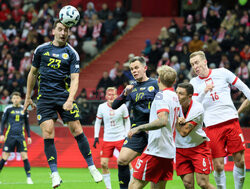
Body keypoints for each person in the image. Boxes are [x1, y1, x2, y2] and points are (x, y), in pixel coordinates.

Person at [23, 20, 102, 188]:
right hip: (45, 99)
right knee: (48, 131)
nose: (63, 33)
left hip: (64, 96)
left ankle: (92, 167)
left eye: (66, 30)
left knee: (77, 129)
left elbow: (75, 79)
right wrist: (28, 97)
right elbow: (32, 73)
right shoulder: (41, 50)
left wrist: (70, 99)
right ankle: (54, 173)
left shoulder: (72, 53)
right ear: (53, 30)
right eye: (60, 29)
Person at [189, 51, 250, 189]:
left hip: (231, 122)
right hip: (211, 126)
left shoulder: (222, 72)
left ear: (205, 61)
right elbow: (194, 105)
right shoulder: (194, 82)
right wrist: (204, 91)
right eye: (192, 64)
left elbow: (243, 87)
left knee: (239, 161)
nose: (195, 66)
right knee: (218, 165)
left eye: (197, 62)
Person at [127, 65, 181, 189]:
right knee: (158, 187)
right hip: (168, 151)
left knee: (134, 185)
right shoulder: (175, 97)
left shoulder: (161, 96)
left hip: (156, 150)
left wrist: (139, 128)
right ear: (173, 82)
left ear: (159, 80)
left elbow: (162, 121)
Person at [112, 56, 159, 189]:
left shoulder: (155, 84)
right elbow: (115, 105)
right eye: (132, 69)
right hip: (137, 130)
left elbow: (167, 102)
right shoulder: (131, 88)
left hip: (154, 129)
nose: (134, 71)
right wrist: (125, 94)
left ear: (145, 68)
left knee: (155, 168)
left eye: (136, 67)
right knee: (122, 160)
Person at [175, 83, 215, 189]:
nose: (177, 96)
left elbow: (184, 132)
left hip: (198, 148)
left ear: (189, 96)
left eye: (181, 94)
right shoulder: (173, 105)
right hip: (180, 149)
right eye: (176, 92)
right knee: (188, 184)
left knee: (203, 183)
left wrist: (173, 118)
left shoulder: (197, 108)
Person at [94, 87, 130, 189]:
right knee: (104, 164)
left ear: (116, 96)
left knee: (127, 162)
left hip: (121, 137)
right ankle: (108, 188)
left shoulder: (122, 106)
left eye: (113, 95)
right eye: (108, 95)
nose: (111, 97)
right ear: (105, 96)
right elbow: (98, 122)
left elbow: (127, 121)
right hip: (107, 139)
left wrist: (127, 135)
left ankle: (132, 185)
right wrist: (96, 136)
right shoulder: (101, 107)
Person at [0, 92, 33, 184]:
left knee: (24, 156)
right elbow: (3, 122)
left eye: (17, 98)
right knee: (5, 157)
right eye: (14, 98)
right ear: (11, 99)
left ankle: (29, 177)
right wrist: (1, 134)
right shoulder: (8, 109)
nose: (15, 100)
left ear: (20, 99)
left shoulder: (24, 109)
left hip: (20, 137)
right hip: (10, 136)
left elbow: (27, 124)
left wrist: (29, 136)